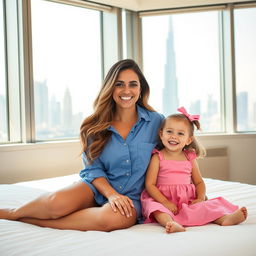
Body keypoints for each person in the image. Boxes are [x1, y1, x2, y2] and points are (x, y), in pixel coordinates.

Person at [0, 59, 164, 231]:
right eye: (119, 84)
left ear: (141, 89)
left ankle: (34, 222)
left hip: (132, 197)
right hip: (97, 188)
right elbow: (93, 169)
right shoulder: (94, 126)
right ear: (110, 88)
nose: (126, 90)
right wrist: (111, 194)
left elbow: (174, 152)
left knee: (108, 219)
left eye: (133, 84)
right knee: (56, 203)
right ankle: (13, 213)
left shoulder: (156, 122)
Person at [140, 107, 247, 233]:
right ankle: (171, 223)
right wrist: (165, 202)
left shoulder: (189, 157)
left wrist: (200, 198)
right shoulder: (158, 157)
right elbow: (150, 184)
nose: (174, 137)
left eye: (180, 133)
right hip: (163, 198)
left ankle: (224, 219)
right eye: (169, 131)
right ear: (161, 134)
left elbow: (199, 182)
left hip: (186, 199)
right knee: (157, 209)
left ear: (188, 140)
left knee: (206, 207)